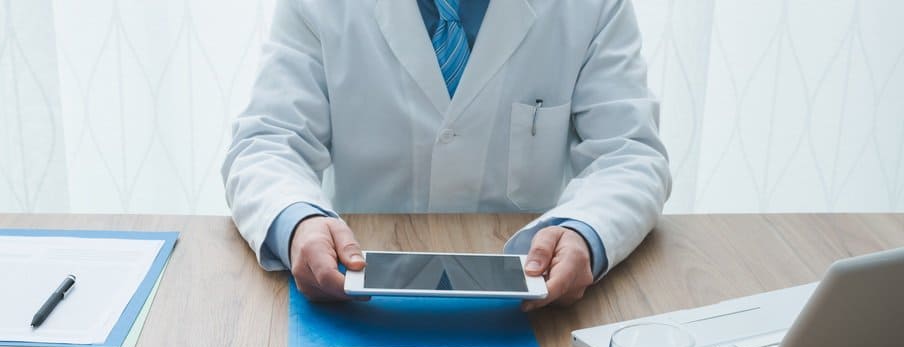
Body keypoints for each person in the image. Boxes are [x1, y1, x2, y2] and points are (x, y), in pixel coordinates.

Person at [222, 0, 670, 311]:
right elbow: (268, 141)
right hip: (359, 290)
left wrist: (585, 231)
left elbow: (628, 153)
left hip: (530, 299)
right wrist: (297, 220)